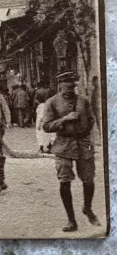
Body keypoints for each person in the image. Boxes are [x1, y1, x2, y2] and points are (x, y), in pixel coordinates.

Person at [42, 71, 101, 232]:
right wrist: (64, 120)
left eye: (72, 86)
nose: (70, 89)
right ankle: (71, 220)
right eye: (66, 86)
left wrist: (84, 132)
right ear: (60, 85)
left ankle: (87, 208)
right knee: (64, 181)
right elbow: (46, 126)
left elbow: (91, 119)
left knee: (88, 179)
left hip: (83, 143)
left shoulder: (84, 101)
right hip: (63, 144)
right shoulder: (52, 102)